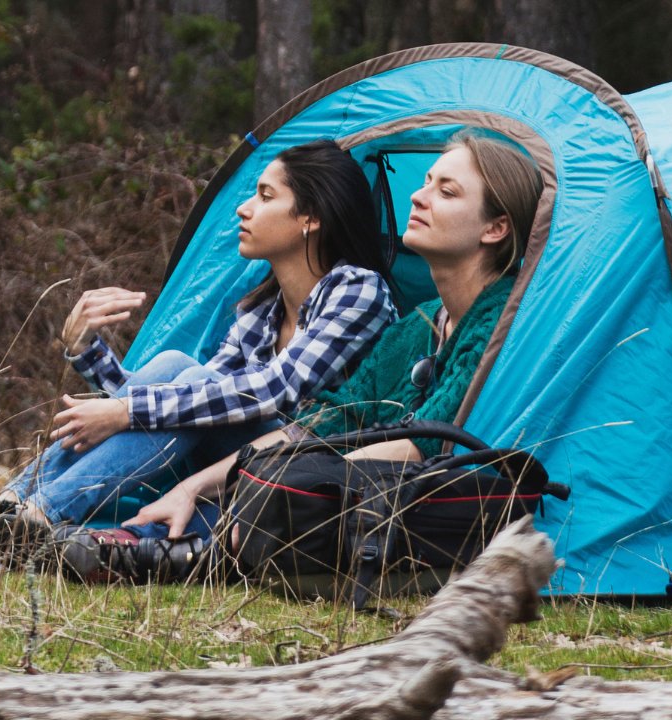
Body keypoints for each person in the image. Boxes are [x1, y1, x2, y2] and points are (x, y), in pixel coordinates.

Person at [55, 129, 545, 582]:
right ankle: (29, 514)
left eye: (447, 191)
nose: (417, 196)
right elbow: (316, 425)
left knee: (281, 484)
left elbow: (422, 444)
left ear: (495, 228)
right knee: (180, 373)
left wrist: (276, 483)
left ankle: (96, 536)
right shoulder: (415, 329)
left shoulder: (498, 321)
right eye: (425, 182)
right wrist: (197, 483)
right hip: (317, 478)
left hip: (391, 503)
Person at [0, 139, 397, 555]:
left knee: (191, 378)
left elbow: (271, 391)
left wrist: (125, 410)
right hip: (238, 467)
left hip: (315, 470)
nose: (243, 208)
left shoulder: (358, 290)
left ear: (311, 217)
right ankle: (12, 505)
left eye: (265, 196)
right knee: (176, 366)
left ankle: (40, 510)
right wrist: (86, 350)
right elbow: (190, 407)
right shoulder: (260, 312)